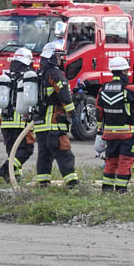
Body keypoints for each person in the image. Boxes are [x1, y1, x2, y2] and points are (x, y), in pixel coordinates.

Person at [96, 56, 134, 193]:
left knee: (111, 161)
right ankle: (121, 190)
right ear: (124, 72)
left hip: (109, 134)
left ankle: (106, 189)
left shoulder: (102, 90)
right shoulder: (129, 89)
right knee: (125, 161)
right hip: (127, 133)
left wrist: (100, 129)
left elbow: (98, 112)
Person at [33, 41, 79, 188]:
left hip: (40, 124)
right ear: (52, 57)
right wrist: (73, 113)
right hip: (54, 122)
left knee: (44, 156)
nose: (60, 59)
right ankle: (73, 184)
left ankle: (43, 184)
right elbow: (64, 95)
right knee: (64, 153)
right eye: (58, 56)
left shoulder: (39, 74)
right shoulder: (55, 73)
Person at [0, 48, 36, 183]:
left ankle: (13, 179)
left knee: (12, 152)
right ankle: (6, 169)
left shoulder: (6, 76)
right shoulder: (28, 77)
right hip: (21, 121)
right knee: (26, 150)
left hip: (6, 122)